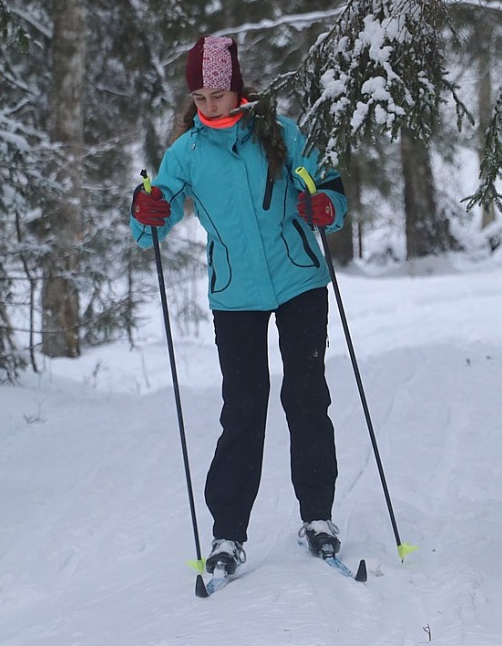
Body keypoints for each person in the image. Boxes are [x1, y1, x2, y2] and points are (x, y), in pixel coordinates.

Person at [130, 35, 347, 576]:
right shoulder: (187, 152)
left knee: (306, 397)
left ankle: (317, 516)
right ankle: (227, 533)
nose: (210, 106)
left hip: (300, 280)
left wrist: (325, 206)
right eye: (200, 98)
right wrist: (147, 210)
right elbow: (152, 219)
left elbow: (329, 186)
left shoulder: (280, 133)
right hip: (234, 295)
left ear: (237, 88)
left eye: (218, 95)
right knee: (244, 409)